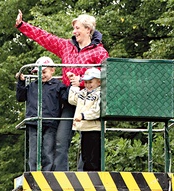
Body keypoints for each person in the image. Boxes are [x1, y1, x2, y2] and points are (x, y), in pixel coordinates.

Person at [15, 10, 109, 171]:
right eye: (74, 29)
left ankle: (86, 173)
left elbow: (107, 76)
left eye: (78, 28)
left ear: (88, 29)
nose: (74, 32)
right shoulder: (66, 46)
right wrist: (23, 26)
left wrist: (82, 80)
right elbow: (45, 38)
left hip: (90, 102)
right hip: (70, 98)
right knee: (60, 139)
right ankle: (60, 174)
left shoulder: (99, 52)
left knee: (89, 139)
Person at [16, 56, 67, 171]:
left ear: (52, 70)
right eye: (38, 72)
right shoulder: (32, 86)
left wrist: (72, 86)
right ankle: (33, 173)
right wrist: (21, 82)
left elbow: (66, 99)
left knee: (48, 150)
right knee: (33, 152)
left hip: (50, 122)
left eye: (44, 72)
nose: (41, 75)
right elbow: (20, 97)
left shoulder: (58, 85)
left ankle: (47, 173)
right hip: (34, 122)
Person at [68, 67, 102, 171]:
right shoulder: (83, 92)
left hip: (95, 128)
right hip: (84, 128)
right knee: (86, 156)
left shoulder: (100, 94)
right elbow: (72, 100)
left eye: (90, 82)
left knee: (93, 157)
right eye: (86, 82)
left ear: (99, 82)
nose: (88, 85)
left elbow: (97, 111)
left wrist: (83, 116)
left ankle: (95, 179)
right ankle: (88, 177)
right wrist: (74, 86)